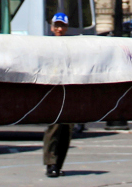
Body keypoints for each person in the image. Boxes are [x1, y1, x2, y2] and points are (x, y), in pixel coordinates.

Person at [42, 13, 76, 177]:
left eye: (62, 26)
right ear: (52, 27)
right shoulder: (47, 45)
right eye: (57, 26)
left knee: (67, 128)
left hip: (68, 89)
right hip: (53, 90)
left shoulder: (71, 46)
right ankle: (51, 163)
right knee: (54, 126)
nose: (59, 29)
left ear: (67, 28)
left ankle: (58, 164)